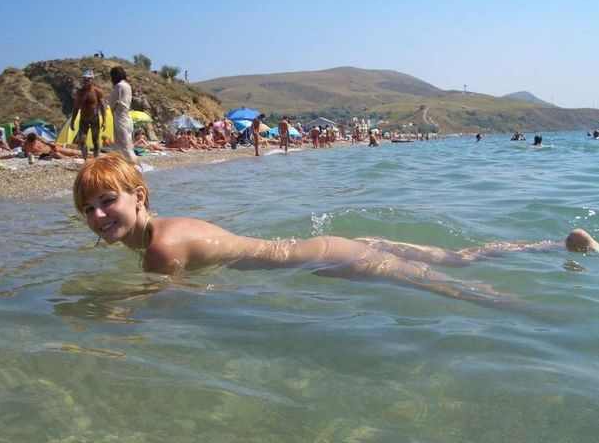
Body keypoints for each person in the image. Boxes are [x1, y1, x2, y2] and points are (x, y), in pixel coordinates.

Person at [73, 154, 599, 304]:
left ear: (139, 197)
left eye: (107, 201)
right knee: (459, 259)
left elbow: (168, 307)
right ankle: (555, 244)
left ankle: (544, 316)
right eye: (88, 210)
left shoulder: (160, 250)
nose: (98, 216)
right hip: (335, 247)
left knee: (454, 290)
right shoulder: (167, 229)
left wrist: (110, 312)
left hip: (329, 257)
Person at [70, 70, 106, 160]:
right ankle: (85, 160)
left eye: (87, 79)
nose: (85, 80)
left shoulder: (97, 92)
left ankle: (96, 160)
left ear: (92, 80)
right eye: (84, 79)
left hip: (94, 118)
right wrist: (72, 120)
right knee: (82, 141)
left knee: (96, 141)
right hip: (83, 119)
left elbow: (103, 107)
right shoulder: (80, 92)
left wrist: (104, 121)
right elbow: (76, 107)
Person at [108, 66, 136, 163]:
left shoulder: (119, 86)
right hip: (127, 117)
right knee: (128, 144)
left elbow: (111, 102)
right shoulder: (128, 86)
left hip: (120, 118)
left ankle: (133, 166)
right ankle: (128, 165)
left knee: (123, 146)